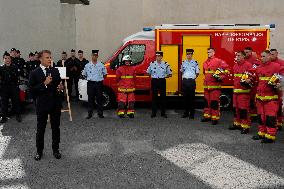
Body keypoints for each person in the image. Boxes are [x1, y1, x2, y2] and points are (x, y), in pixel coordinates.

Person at [29, 50, 64, 160]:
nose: (50, 59)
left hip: (55, 104)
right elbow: (32, 91)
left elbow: (59, 85)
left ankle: (56, 150)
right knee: (40, 129)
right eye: (47, 57)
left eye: (50, 57)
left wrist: (60, 88)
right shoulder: (34, 73)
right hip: (42, 105)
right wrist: (44, 84)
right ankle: (39, 151)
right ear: (40, 59)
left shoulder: (55, 71)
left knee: (55, 128)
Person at [252, 50, 283, 143]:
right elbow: (257, 81)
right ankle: (261, 132)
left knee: (270, 118)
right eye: (261, 56)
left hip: (271, 98)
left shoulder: (277, 67)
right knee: (261, 117)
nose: (262, 58)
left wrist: (280, 85)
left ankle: (270, 136)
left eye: (264, 56)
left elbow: (282, 79)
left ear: (269, 56)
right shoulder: (259, 68)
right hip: (260, 97)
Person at [201, 48, 229, 125]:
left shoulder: (218, 61)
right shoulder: (205, 62)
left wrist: (221, 77)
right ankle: (207, 116)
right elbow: (205, 73)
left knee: (214, 103)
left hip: (215, 86)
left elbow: (227, 69)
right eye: (207, 52)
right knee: (207, 102)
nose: (208, 53)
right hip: (207, 86)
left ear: (214, 52)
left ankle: (215, 118)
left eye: (210, 52)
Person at [229, 51, 253, 134]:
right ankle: (237, 124)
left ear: (243, 56)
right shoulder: (235, 66)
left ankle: (245, 127)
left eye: (239, 55)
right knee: (236, 110)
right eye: (236, 55)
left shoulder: (248, 65)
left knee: (244, 110)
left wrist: (249, 80)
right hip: (236, 92)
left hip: (244, 93)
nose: (237, 57)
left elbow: (252, 77)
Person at [82, 50, 107, 119]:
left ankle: (100, 113)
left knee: (99, 99)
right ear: (91, 56)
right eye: (93, 55)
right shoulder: (87, 65)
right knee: (90, 99)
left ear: (97, 56)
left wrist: (99, 79)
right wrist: (90, 79)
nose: (94, 57)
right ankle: (90, 113)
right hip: (91, 84)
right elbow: (84, 74)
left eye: (96, 55)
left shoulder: (101, 65)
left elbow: (105, 75)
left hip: (99, 84)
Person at [147, 51, 172, 118]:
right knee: (154, 97)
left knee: (163, 97)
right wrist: (153, 76)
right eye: (157, 56)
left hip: (162, 81)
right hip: (154, 81)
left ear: (161, 57)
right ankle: (153, 113)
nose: (158, 57)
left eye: (159, 56)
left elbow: (170, 74)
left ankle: (163, 113)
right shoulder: (152, 64)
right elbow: (148, 72)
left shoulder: (166, 64)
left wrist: (164, 76)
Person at [0, 52, 22, 123]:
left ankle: (18, 115)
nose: (7, 60)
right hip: (4, 88)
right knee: (4, 103)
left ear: (10, 59)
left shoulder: (15, 67)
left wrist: (16, 85)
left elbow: (18, 77)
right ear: (3, 59)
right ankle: (4, 117)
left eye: (8, 58)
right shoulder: (1, 68)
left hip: (13, 87)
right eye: (5, 58)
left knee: (16, 102)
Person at [180, 49, 199, 119]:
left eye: (190, 54)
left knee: (192, 99)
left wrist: (192, 78)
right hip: (185, 82)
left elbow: (197, 73)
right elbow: (182, 71)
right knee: (185, 98)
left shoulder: (195, 63)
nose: (189, 55)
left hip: (191, 82)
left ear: (192, 54)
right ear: (186, 54)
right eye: (188, 54)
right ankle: (186, 113)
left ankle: (192, 114)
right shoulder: (183, 62)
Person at [244, 47, 261, 121]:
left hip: (253, 84)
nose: (246, 53)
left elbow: (255, 72)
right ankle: (249, 114)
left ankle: (254, 116)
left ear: (251, 52)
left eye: (247, 52)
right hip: (246, 82)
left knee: (252, 100)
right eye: (245, 52)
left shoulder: (255, 61)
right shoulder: (243, 60)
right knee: (247, 100)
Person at [270, 48, 284, 131]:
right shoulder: (269, 63)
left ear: (277, 54)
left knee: (278, 106)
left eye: (273, 54)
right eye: (270, 54)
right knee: (272, 108)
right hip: (270, 88)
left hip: (279, 88)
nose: (272, 56)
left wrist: (280, 84)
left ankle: (279, 122)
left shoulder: (281, 63)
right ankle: (274, 122)